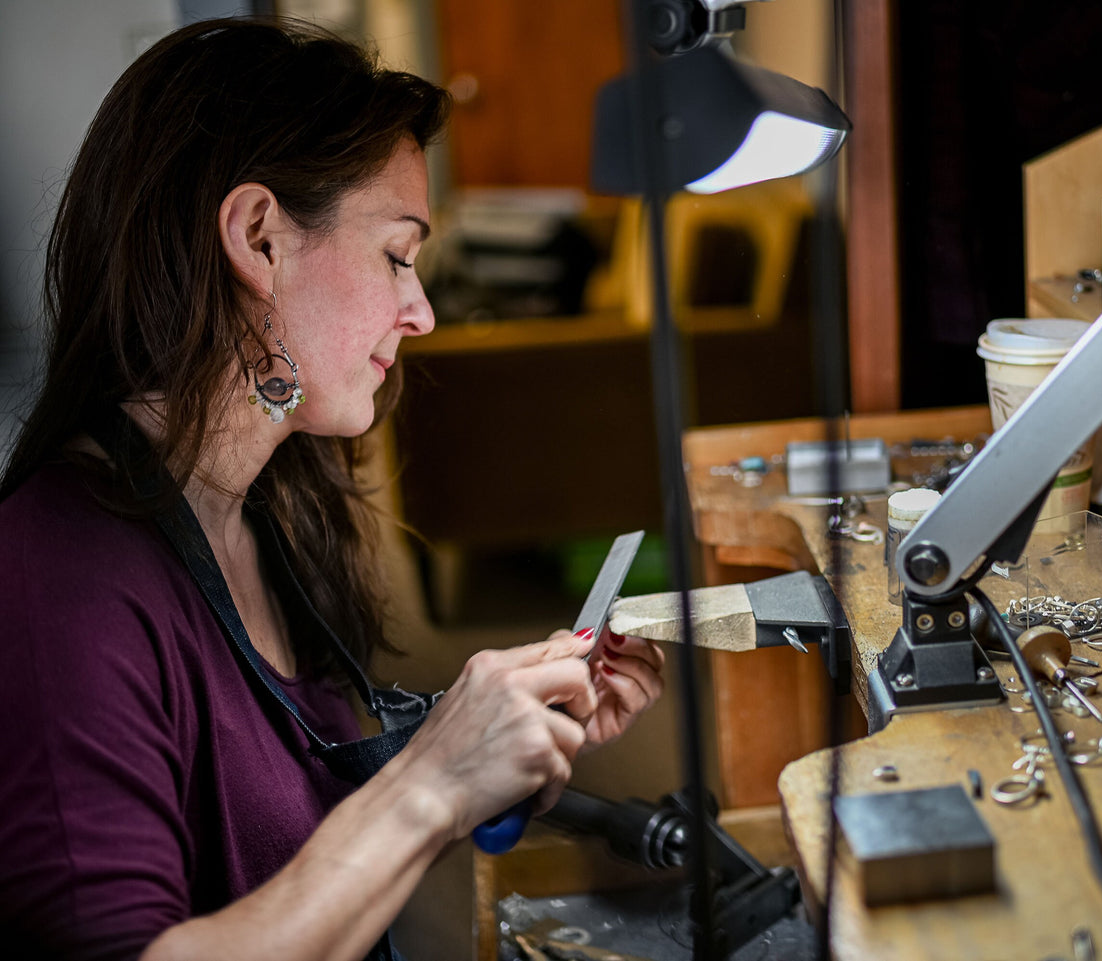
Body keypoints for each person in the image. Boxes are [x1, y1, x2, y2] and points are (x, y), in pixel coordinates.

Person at [0, 17, 665, 961]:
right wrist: (428, 780)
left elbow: (291, 843)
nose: (422, 311)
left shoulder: (260, 508)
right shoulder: (55, 583)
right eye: (398, 254)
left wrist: (493, 753)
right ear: (259, 237)